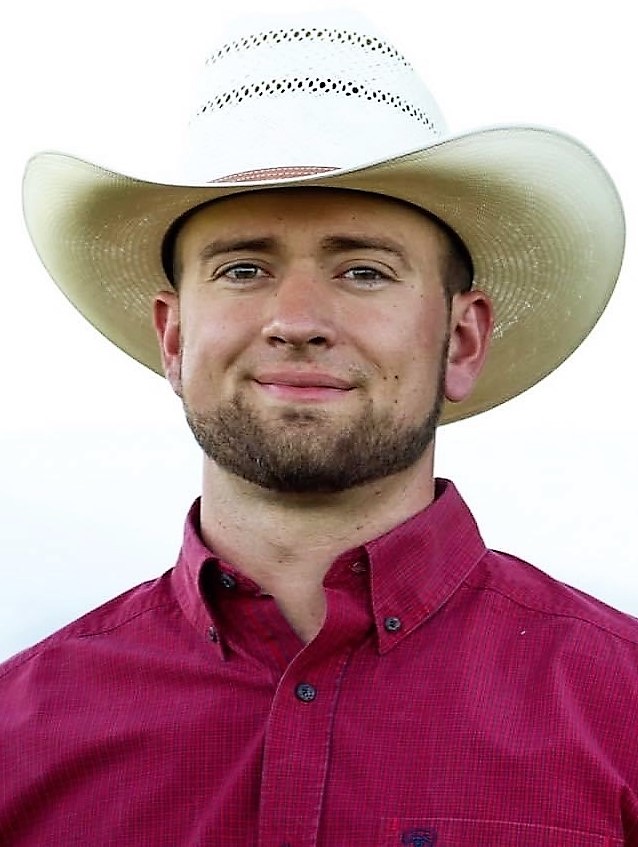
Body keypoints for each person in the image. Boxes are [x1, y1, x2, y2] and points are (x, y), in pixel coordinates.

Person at [1, 9, 636, 846]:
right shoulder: (18, 734)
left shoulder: (620, 709)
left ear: (465, 338)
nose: (296, 319)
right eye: (243, 268)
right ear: (175, 336)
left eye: (364, 270)